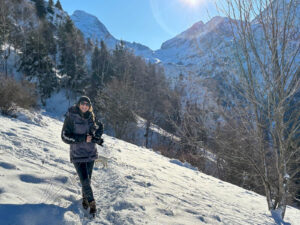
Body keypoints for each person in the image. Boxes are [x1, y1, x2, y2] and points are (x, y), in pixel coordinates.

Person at [61, 96, 103, 216]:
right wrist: (83, 138)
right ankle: (92, 203)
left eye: (87, 104)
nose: (84, 106)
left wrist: (97, 136)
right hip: (77, 154)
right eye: (82, 104)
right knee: (84, 180)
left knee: (87, 180)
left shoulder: (92, 117)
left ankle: (85, 199)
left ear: (89, 106)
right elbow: (64, 137)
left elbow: (100, 127)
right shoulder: (71, 116)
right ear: (78, 104)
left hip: (90, 154)